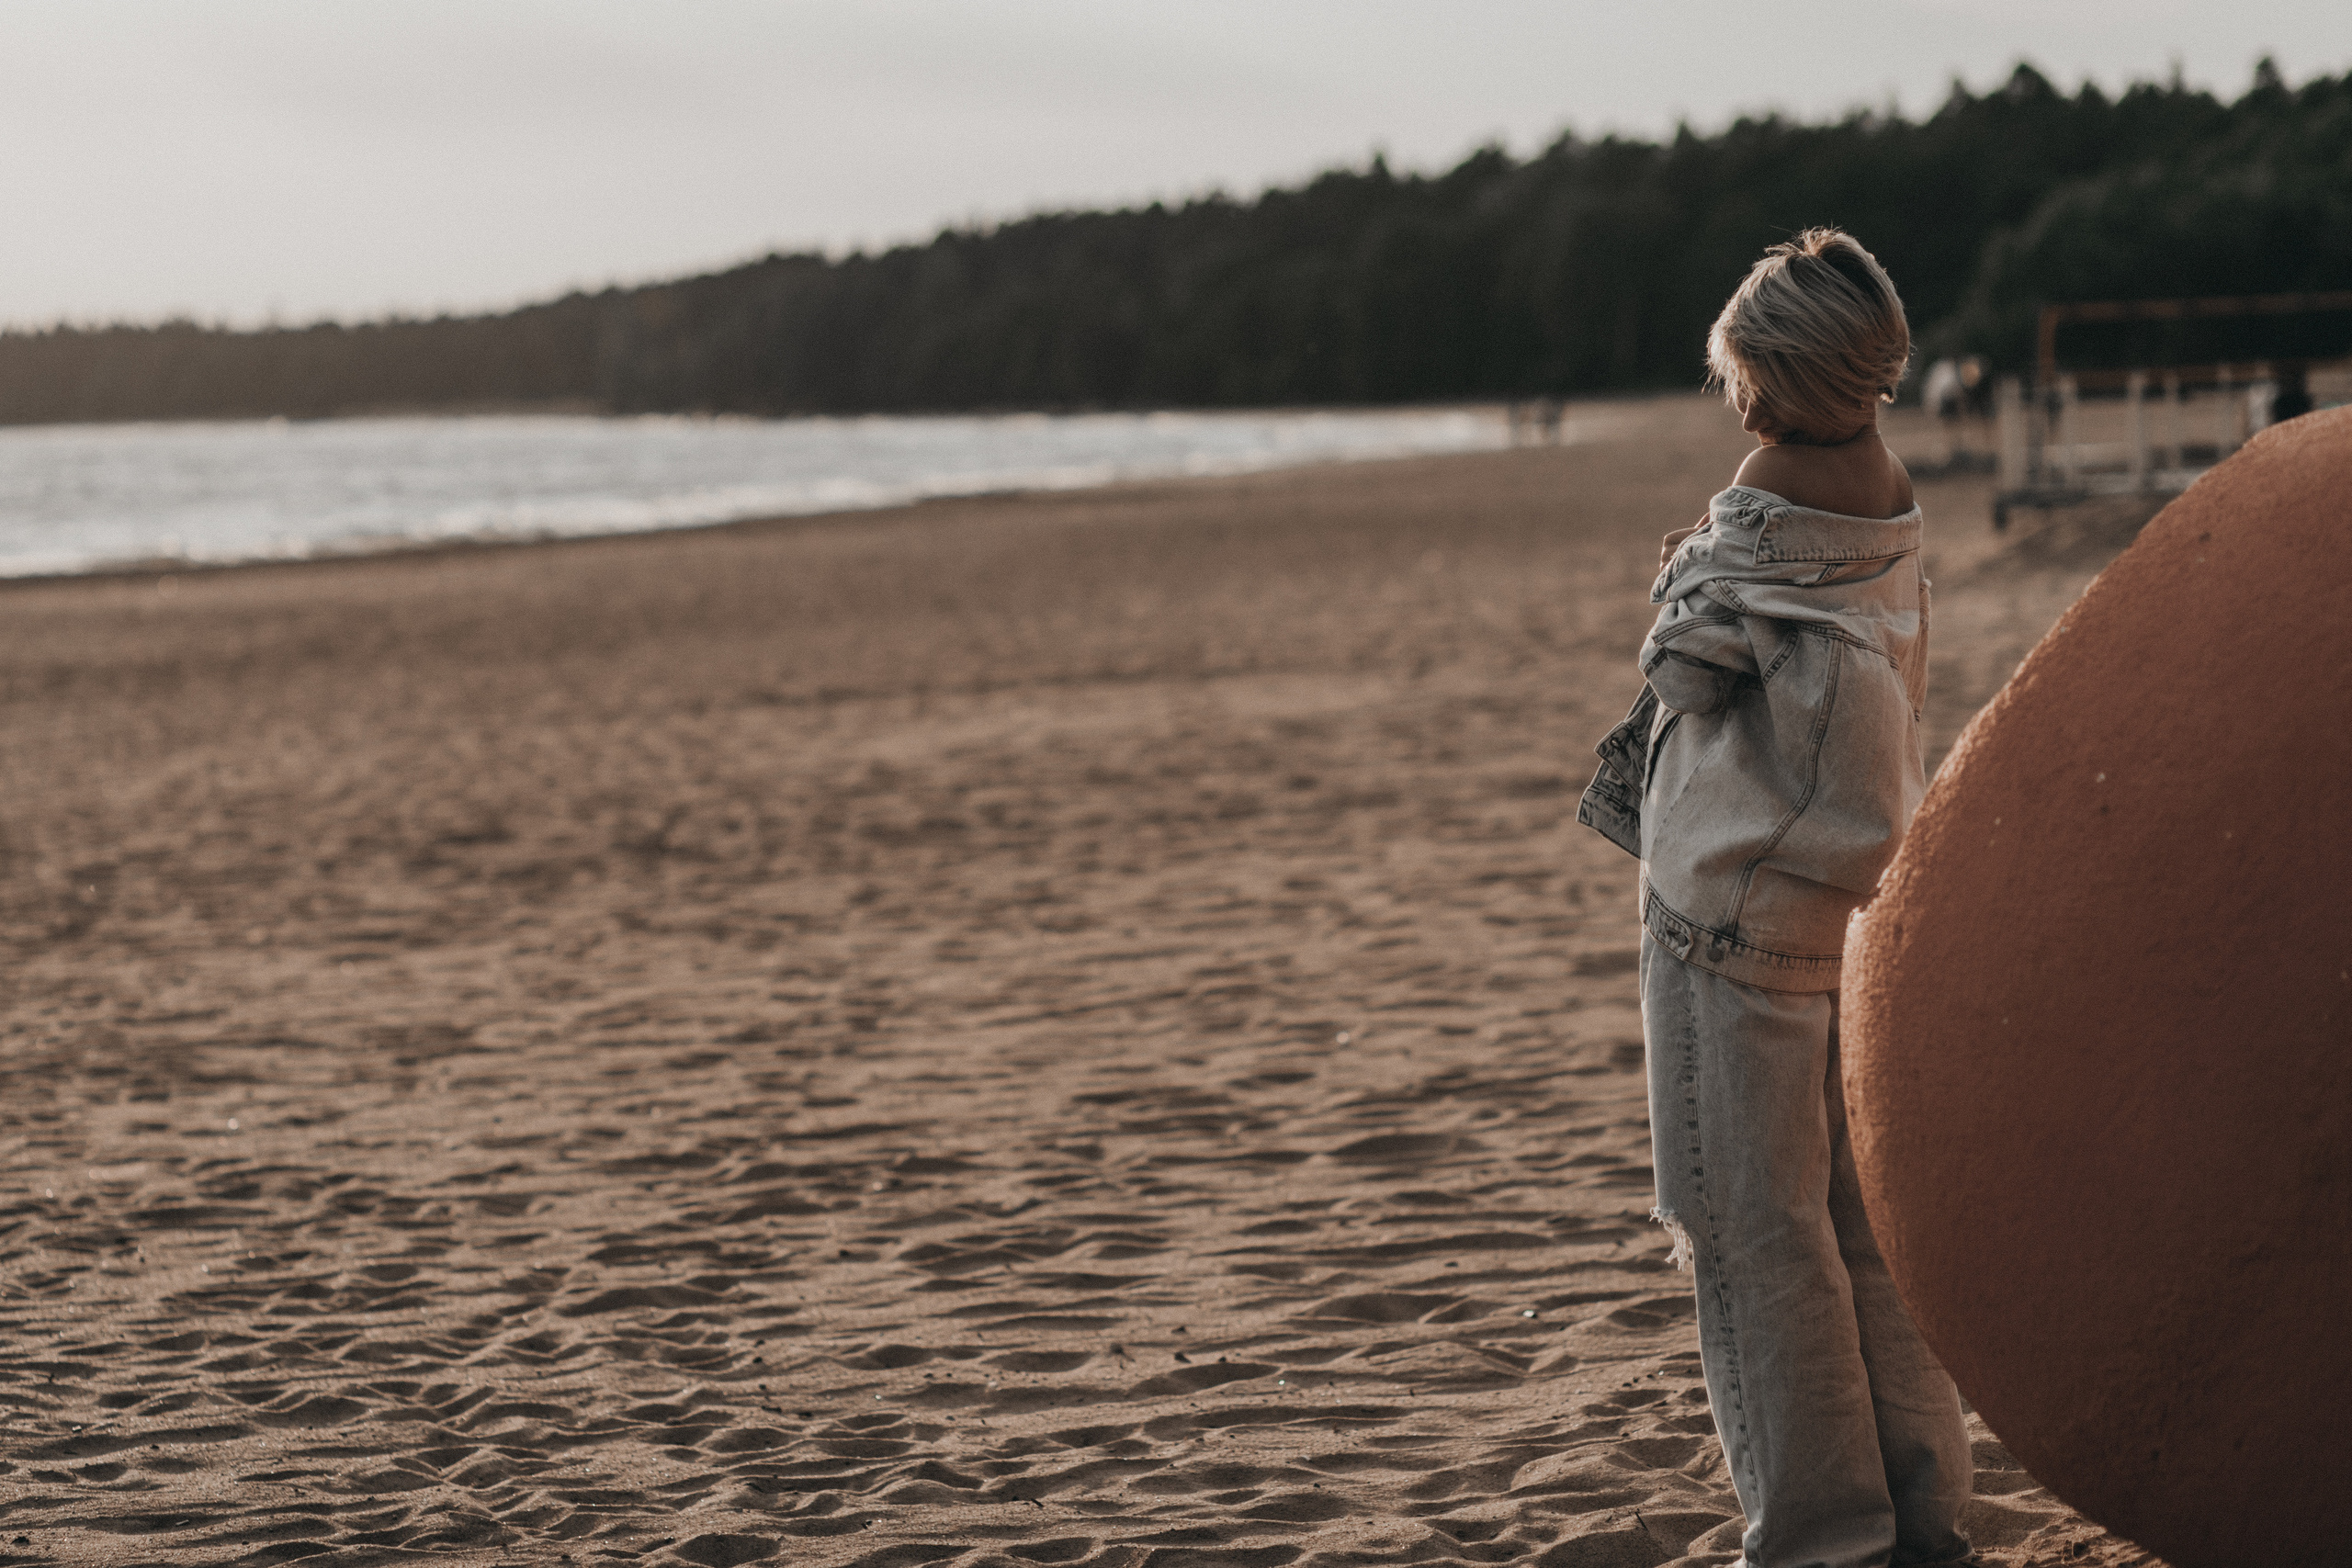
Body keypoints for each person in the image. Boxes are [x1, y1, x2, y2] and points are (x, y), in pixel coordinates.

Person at [1577, 229, 1975, 1568]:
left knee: (1752, 1233)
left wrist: (1689, 561)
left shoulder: (1766, 491)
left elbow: (1683, 668)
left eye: (1745, 372)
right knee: (1859, 1231)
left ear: (1784, 375)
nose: (1737, 399)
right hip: (1836, 904)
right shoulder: (1889, 488)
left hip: (1728, 906)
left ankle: (1822, 1538)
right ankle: (1923, 1510)